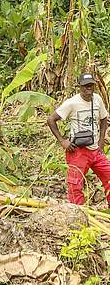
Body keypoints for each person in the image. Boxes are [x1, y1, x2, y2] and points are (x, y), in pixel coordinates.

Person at [47, 72, 110, 205]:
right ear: (80, 87)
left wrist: (101, 140)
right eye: (85, 86)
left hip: (96, 150)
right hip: (78, 151)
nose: (89, 89)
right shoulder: (72, 103)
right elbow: (51, 120)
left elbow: (104, 118)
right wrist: (62, 140)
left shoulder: (97, 99)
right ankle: (78, 217)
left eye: (91, 86)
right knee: (75, 186)